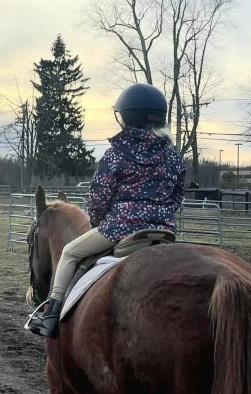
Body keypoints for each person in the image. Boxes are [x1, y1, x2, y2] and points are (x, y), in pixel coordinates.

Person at [27, 83, 186, 338]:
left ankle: (50, 315)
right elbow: (177, 195)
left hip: (121, 229)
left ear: (125, 116)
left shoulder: (116, 154)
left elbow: (99, 199)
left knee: (69, 252)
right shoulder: (173, 155)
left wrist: (100, 221)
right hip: (163, 231)